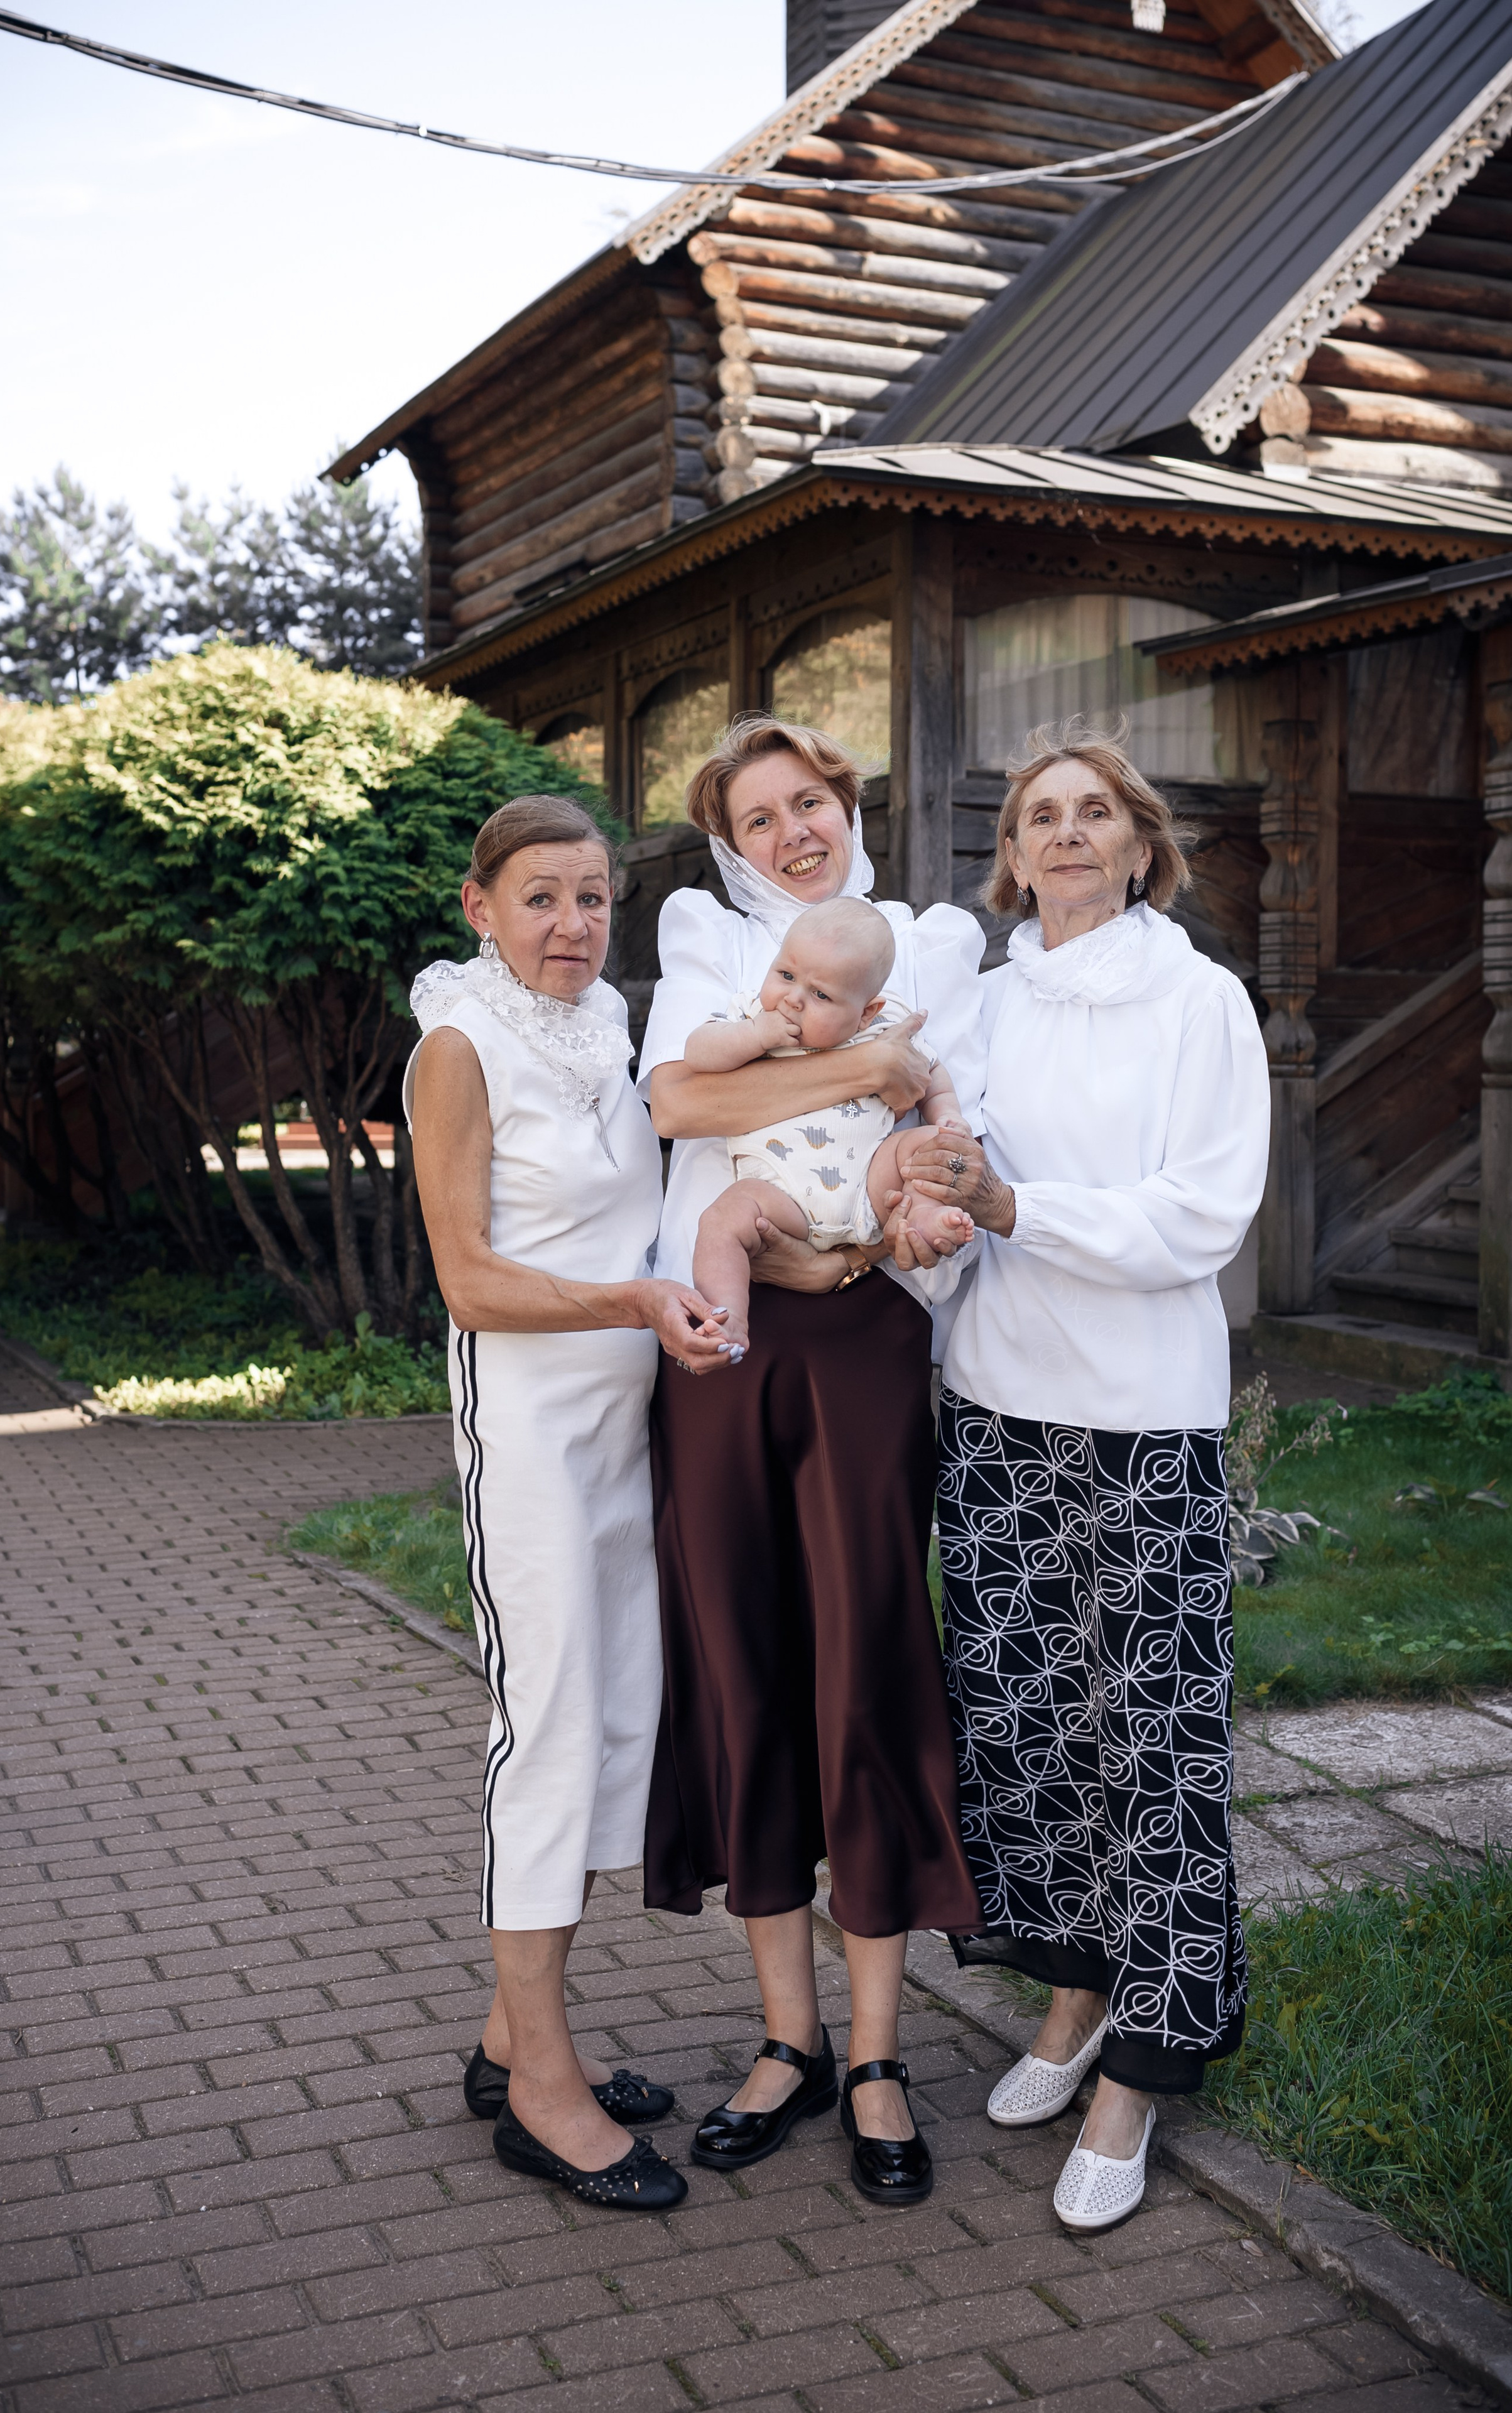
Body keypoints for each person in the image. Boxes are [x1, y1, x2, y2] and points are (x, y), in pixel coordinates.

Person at [898, 721, 1269, 2235]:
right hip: (992, 1411)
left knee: (1155, 1749)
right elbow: (936, 1168)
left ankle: (1144, 2060)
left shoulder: (1199, 1002)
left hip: (1139, 1422)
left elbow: (1200, 1216)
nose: (1060, 833)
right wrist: (922, 1229)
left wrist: (1012, 1204)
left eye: (1089, 812)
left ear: (1136, 842)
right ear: (1010, 852)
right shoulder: (978, 1008)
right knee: (1031, 1732)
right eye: (1036, 815)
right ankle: (1067, 1998)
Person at [640, 712, 986, 2209]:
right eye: (757, 816)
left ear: (845, 801)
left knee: (864, 1663)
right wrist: (851, 1055)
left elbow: (931, 1111)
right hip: (722, 1341)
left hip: (858, 1338)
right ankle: (782, 2038)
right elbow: (674, 1103)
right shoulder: (701, 938)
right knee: (745, 1663)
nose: (791, 832)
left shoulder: (933, 937)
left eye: (809, 801)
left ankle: (877, 2053)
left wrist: (834, 1072)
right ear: (728, 840)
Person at [406, 793, 734, 2213]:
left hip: (628, 1429)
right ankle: (541, 2087)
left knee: (613, 1721)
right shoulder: (456, 1045)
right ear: (478, 905)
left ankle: (508, 2034)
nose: (571, 924)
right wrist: (629, 1298)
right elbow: (469, 1279)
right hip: (532, 1435)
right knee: (542, 1731)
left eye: (592, 896)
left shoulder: (606, 1027)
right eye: (540, 897)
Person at [687, 894, 976, 1351]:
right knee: (721, 1219)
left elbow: (932, 1072)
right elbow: (697, 1052)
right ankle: (727, 1317)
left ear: (866, 1012)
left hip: (872, 1186)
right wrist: (754, 1035)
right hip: (779, 1195)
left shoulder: (886, 1029)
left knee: (928, 1147)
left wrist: (949, 1118)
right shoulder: (751, 1016)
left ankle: (920, 1217)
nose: (794, 1000)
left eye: (821, 994)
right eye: (785, 975)